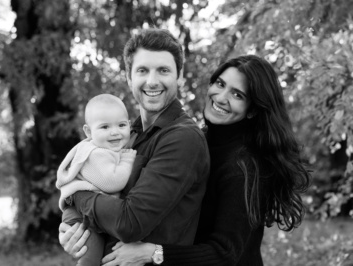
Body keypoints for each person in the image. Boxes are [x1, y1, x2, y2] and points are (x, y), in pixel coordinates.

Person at [93, 55, 311, 265]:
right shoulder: (199, 139)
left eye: (237, 95)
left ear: (252, 110)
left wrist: (153, 253)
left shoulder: (243, 167)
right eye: (220, 83)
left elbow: (225, 253)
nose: (221, 97)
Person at [59, 28, 210, 264]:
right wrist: (75, 233)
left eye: (163, 70)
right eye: (142, 70)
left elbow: (129, 223)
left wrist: (76, 196)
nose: (152, 81)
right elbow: (107, 205)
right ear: (129, 77)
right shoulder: (125, 135)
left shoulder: (182, 138)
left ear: (179, 76)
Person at [56, 94, 137, 266]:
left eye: (121, 125)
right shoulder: (95, 154)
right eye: (105, 127)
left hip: (90, 211)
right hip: (80, 216)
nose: (114, 132)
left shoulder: (106, 149)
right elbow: (113, 182)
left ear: (129, 125)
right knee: (90, 258)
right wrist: (128, 160)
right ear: (88, 131)